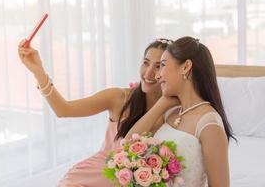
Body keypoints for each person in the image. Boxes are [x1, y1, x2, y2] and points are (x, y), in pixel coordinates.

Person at [17, 38, 173, 187]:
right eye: (146, 63)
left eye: (159, 66)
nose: (148, 73)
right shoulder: (119, 98)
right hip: (84, 180)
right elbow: (63, 109)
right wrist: (38, 71)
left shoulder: (174, 110)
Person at [126, 36, 236, 187]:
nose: (157, 75)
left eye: (162, 65)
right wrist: (162, 104)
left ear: (186, 67)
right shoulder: (171, 113)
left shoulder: (209, 124)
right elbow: (128, 144)